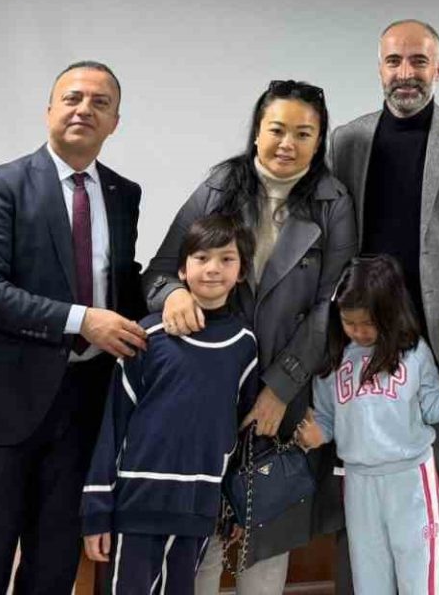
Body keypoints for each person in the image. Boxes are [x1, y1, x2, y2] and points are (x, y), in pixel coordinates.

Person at [143, 79, 356, 594]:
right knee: (202, 536)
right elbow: (160, 271)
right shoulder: (221, 184)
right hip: (210, 382)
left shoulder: (333, 201)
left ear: (319, 141)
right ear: (257, 131)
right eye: (277, 129)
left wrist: (280, 388)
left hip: (287, 386)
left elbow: (332, 307)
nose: (287, 144)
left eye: (303, 134)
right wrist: (173, 294)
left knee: (266, 534)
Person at [0, 60, 148, 595]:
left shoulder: (123, 194)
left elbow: (121, 281)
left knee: (54, 562)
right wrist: (82, 320)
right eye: (73, 98)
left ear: (115, 122)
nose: (85, 109)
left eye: (100, 103)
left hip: (87, 404)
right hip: (3, 402)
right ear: (50, 110)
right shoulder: (0, 185)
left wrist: (176, 296)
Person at [327, 19, 439, 580]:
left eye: (418, 61)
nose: (406, 73)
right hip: (359, 346)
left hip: (437, 346)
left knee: (430, 502)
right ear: (380, 68)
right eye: (394, 61)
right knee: (355, 500)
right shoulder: (347, 140)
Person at [82, 215, 260, 595]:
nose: (213, 268)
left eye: (227, 259)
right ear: (181, 270)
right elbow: (113, 426)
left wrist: (234, 504)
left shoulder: (244, 346)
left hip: (198, 508)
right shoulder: (146, 335)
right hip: (137, 504)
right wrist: (96, 507)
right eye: (201, 257)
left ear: (242, 272)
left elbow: (240, 433)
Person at [296, 254, 439, 595]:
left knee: (418, 576)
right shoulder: (334, 361)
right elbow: (327, 419)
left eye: (367, 323)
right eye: (349, 322)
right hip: (359, 481)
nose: (358, 331)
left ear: (389, 312)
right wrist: (315, 434)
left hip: (410, 478)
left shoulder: (415, 352)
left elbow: (433, 408)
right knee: (369, 578)